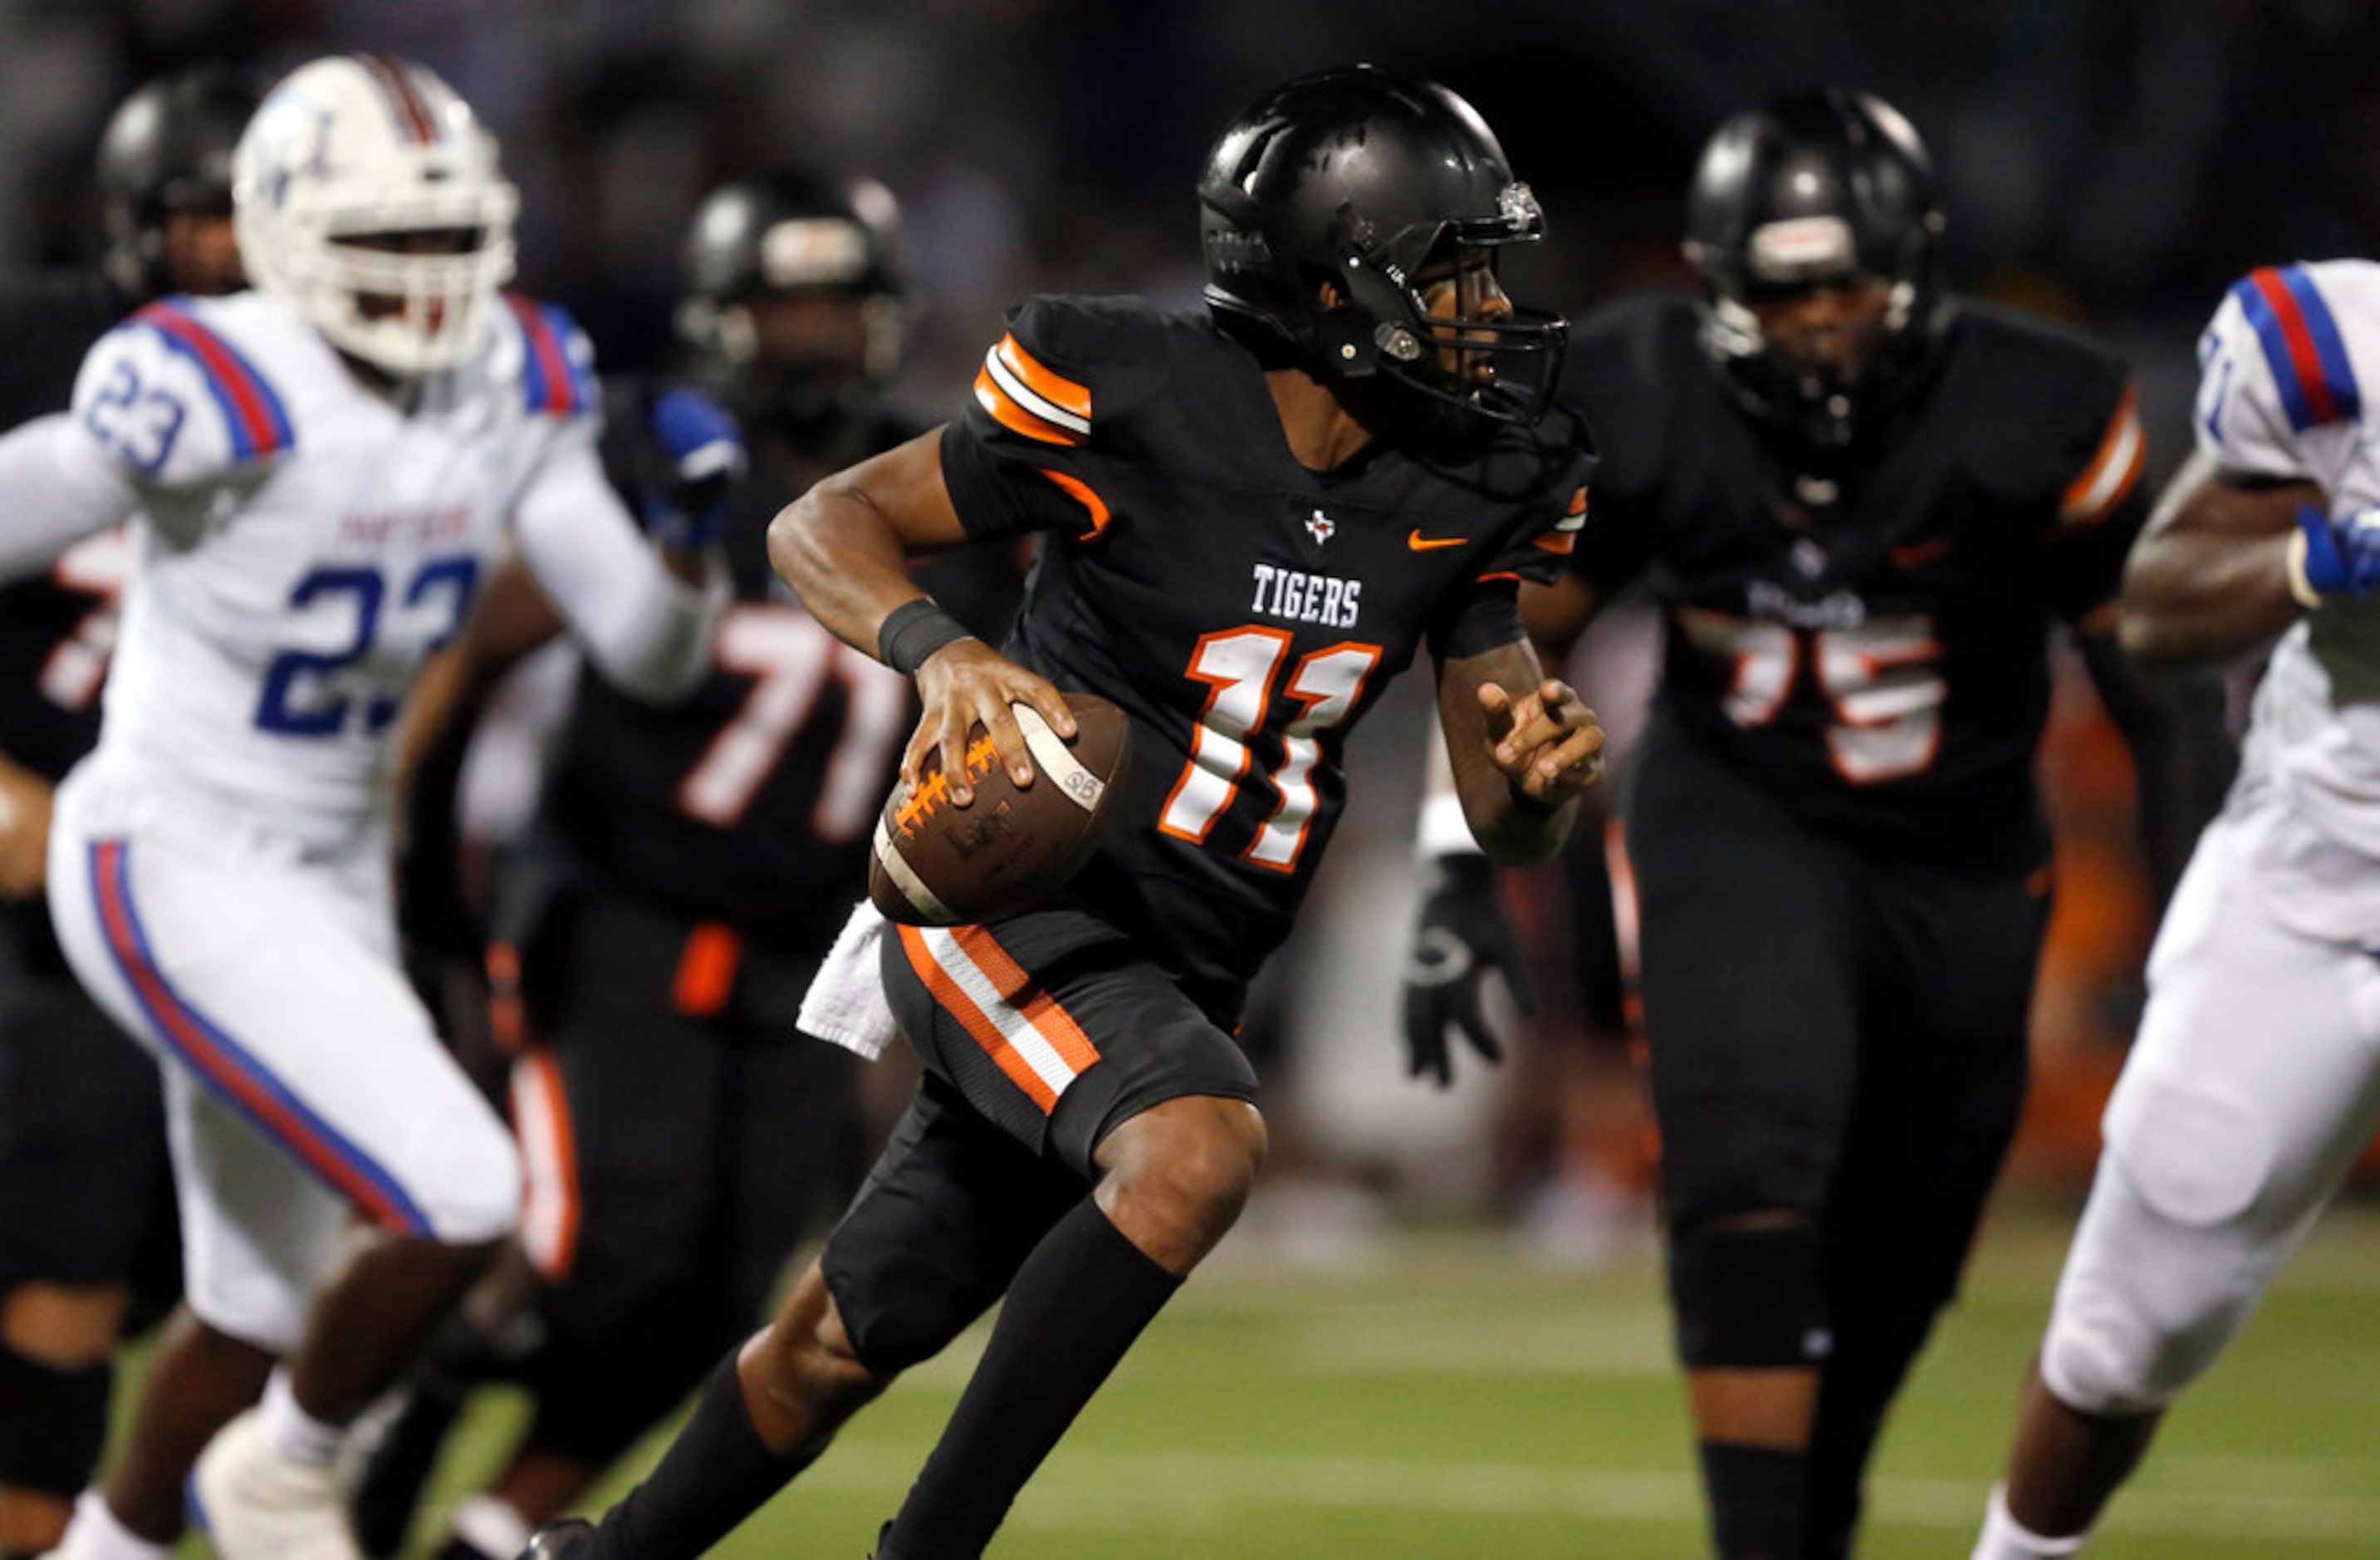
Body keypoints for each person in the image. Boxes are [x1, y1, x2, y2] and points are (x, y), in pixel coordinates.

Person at [522, 62, 1603, 1560]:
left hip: (1180, 961)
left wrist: (1540, 784)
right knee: (1196, 1150)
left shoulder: (1482, 472)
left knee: (842, 1334)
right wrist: (945, 654)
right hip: (1013, 903)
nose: (1487, 304)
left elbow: (1503, 807)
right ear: (1324, 282)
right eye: (1447, 267)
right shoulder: (1133, 387)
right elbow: (820, 519)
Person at [1401, 87, 2231, 1559]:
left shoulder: (2038, 403)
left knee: (1907, 1247)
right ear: (1719, 283)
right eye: (1782, 287)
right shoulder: (1640, 386)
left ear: (1914, 266)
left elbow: (2156, 688)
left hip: (1962, 847)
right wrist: (1460, 862)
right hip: (1741, 821)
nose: (1818, 319)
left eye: (1845, 279)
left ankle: (1813, 1506)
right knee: (1745, 1176)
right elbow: (1502, 644)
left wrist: (2194, 928)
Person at [0, 52, 720, 1560]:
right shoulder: (215, 375)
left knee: (254, 1306)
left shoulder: (515, 374)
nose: (422, 277)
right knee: (459, 1192)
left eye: (445, 237)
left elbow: (650, 656)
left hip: (329, 867)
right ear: (284, 228)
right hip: (169, 846)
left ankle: (113, 1544)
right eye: (385, 238)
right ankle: (285, 1466)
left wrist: (683, 537)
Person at [350, 164, 1018, 1560]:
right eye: (786, 304)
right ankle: (409, 1411)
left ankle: (495, 1531)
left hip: (807, 954)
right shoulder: (652, 469)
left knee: (727, 1294)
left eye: (843, 301)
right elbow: (462, 664)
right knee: (606, 1250)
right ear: (723, 318)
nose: (818, 335)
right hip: (619, 918)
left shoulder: (943, 499)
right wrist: (407, 896)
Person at [1968, 262, 2380, 1555]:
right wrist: (2321, 557)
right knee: (2126, 1321)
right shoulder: (2337, 354)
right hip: (2324, 879)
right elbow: (2155, 608)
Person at [0, 61, 253, 1559]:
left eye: (257, 215)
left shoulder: (344, 393)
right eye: (203, 213)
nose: (233, 248)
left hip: (227, 876)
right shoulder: (42, 347)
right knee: (66, 1248)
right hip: (44, 885)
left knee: (190, 1270)